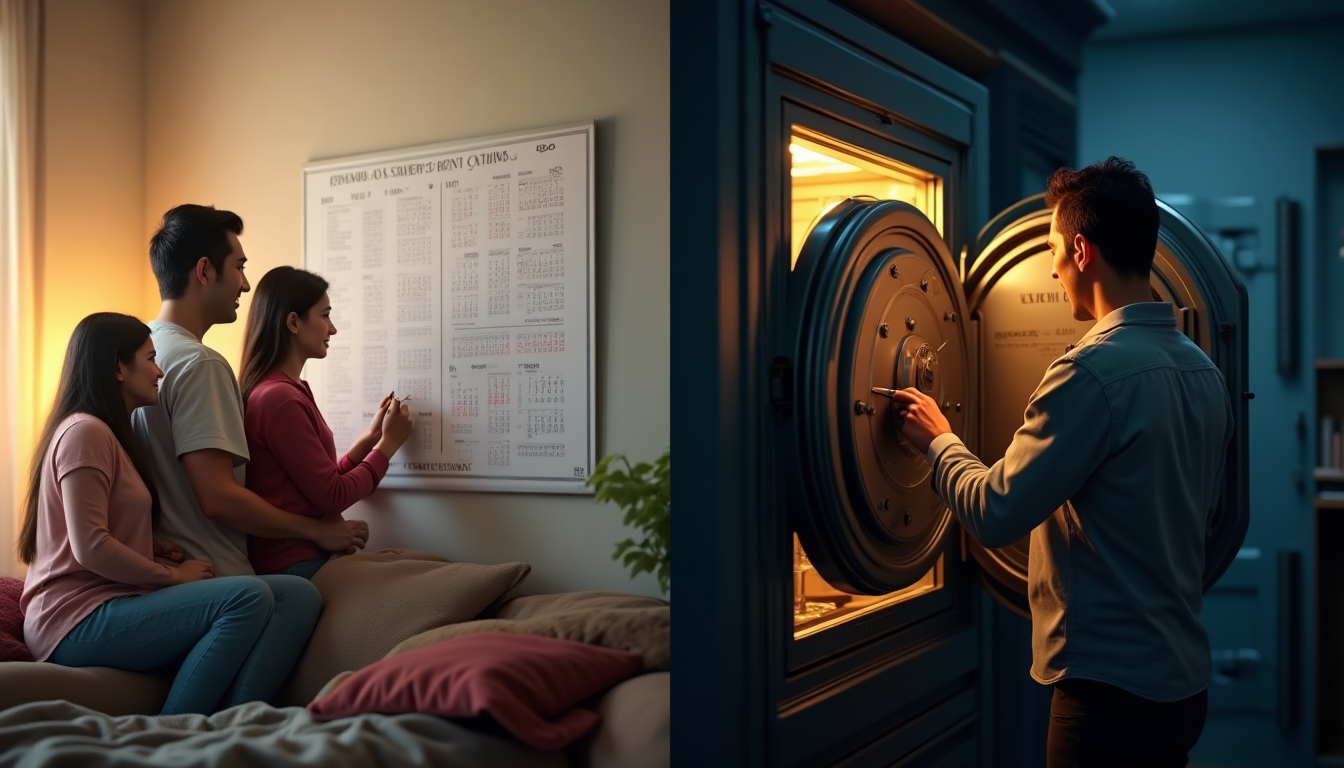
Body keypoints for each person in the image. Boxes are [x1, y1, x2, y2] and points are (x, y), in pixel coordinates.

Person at [889, 157, 1232, 768]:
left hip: (1108, 696)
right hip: (1183, 689)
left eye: (1051, 246)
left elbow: (996, 513)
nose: (1049, 265)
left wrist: (938, 439)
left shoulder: (1089, 372)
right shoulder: (1203, 370)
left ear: (1080, 249)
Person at [130, 204, 364, 701]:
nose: (244, 283)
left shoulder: (140, 357)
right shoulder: (199, 364)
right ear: (204, 271)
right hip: (214, 576)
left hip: (163, 577)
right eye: (238, 266)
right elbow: (218, 498)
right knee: (296, 600)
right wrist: (316, 530)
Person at [18, 313, 291, 714]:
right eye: (149, 358)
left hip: (111, 599)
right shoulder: (84, 432)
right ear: (118, 368)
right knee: (247, 597)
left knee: (294, 594)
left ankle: (233, 724)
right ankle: (173, 735)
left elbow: (99, 529)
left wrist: (149, 546)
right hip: (75, 619)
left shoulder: (110, 435)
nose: (160, 370)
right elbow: (90, 547)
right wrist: (172, 575)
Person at [238, 266, 414, 579]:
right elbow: (333, 495)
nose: (332, 329)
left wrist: (372, 437)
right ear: (293, 322)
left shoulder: (290, 390)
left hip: (307, 558)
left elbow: (321, 484)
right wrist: (389, 444)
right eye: (325, 316)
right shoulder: (279, 399)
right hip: (294, 565)